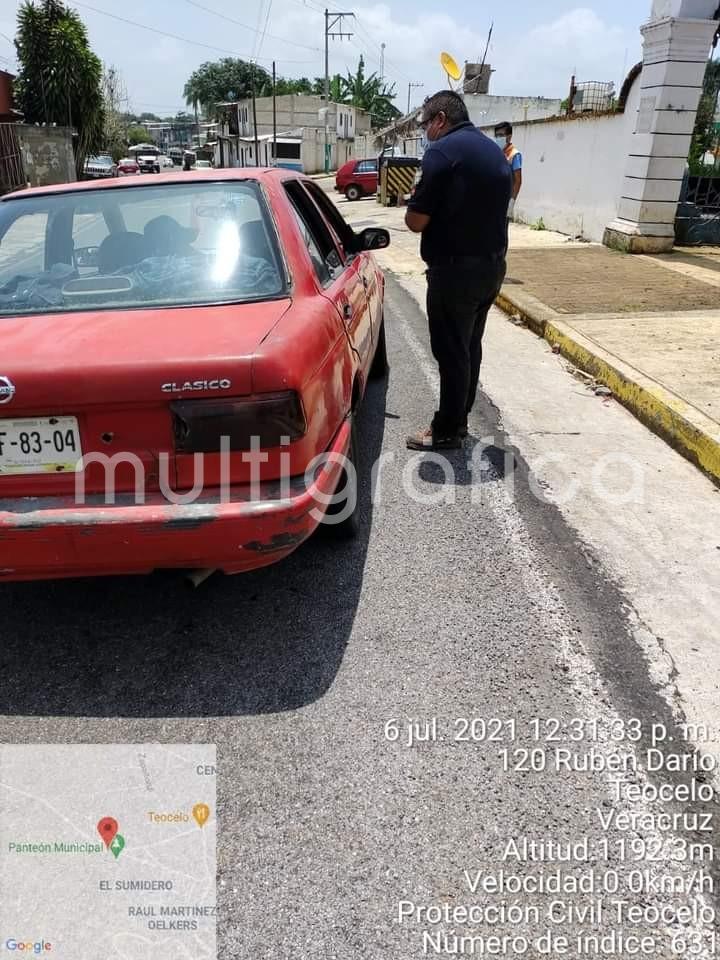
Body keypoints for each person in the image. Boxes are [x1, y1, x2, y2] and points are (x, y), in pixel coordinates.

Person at [404, 90, 512, 450]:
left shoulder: (442, 152)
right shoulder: (493, 152)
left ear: (439, 120)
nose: (424, 132)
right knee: (468, 347)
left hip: (455, 273)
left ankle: (447, 429)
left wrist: (413, 202)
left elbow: (416, 221)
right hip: (491, 268)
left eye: (424, 124)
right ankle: (459, 418)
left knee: (451, 351)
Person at [494, 121, 522, 219]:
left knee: (502, 231)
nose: (498, 138)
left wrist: (512, 202)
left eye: (501, 135)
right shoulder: (496, 152)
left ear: (509, 137)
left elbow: (518, 181)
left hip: (506, 199)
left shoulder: (514, 154)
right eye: (496, 136)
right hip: (495, 198)